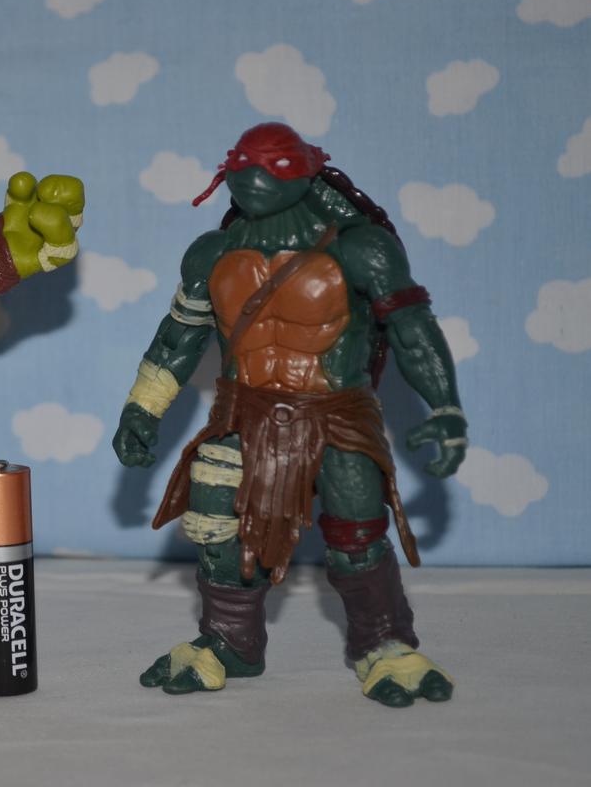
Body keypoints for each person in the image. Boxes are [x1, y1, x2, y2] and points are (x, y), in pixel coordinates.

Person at [113, 123, 468, 707]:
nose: (255, 176)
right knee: (218, 523)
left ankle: (384, 643)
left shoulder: (361, 249)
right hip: (243, 413)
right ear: (226, 174)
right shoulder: (210, 254)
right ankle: (229, 642)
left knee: (358, 530)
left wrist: (447, 407)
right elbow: (178, 337)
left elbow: (412, 330)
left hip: (335, 412)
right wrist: (141, 409)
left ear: (306, 172)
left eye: (273, 165)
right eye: (243, 164)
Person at [0, 172, 84, 297]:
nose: (56, 188)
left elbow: (59, 255)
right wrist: (17, 200)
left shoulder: (48, 233)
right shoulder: (23, 211)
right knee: (22, 186)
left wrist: (60, 239)